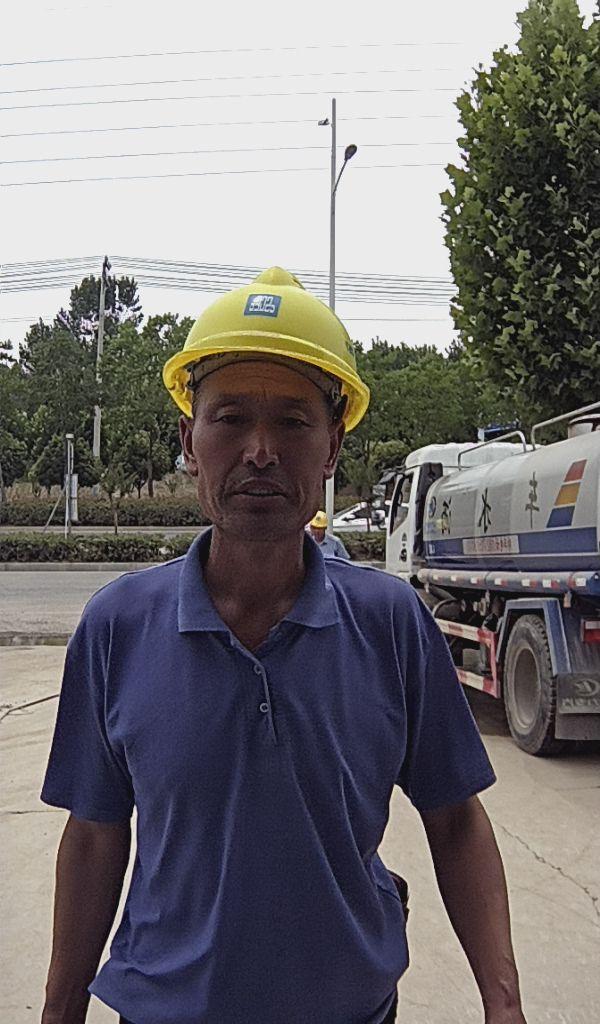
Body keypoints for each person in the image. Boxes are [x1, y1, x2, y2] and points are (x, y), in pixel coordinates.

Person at [41, 267, 527, 1024]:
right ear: (190, 441)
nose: (261, 450)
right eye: (230, 418)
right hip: (164, 1008)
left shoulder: (391, 624)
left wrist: (504, 1003)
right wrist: (59, 1010)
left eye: (294, 423)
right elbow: (96, 836)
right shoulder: (118, 627)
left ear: (332, 447)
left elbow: (456, 819)